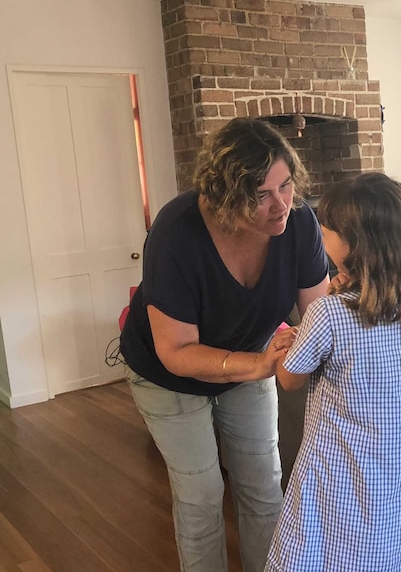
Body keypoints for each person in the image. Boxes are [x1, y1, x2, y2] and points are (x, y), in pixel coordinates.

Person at [119, 117, 330, 571]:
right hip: (166, 374)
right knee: (200, 496)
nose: (281, 205)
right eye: (261, 194)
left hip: (249, 359)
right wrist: (258, 366)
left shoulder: (299, 224)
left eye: (286, 186)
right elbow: (175, 352)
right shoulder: (176, 235)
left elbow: (321, 315)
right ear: (225, 195)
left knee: (263, 484)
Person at [264, 172, 401, 572]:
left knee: (331, 553)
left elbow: (290, 379)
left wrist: (289, 344)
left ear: (352, 244)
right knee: (388, 551)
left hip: (342, 471)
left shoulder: (329, 313)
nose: (321, 240)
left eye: (326, 233)